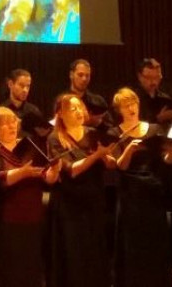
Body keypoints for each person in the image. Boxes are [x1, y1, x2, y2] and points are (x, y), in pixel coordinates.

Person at [0, 106, 59, 287]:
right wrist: (22, 172)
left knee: (28, 268)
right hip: (4, 220)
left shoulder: (28, 146)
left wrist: (53, 172)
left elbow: (45, 176)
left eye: (14, 122)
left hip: (31, 217)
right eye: (5, 123)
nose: (12, 126)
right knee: (6, 270)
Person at [109, 87, 172, 287]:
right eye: (126, 105)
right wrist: (129, 150)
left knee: (154, 242)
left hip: (152, 192)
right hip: (130, 194)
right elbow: (119, 166)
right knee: (132, 244)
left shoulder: (155, 129)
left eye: (133, 103)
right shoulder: (115, 133)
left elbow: (166, 161)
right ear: (119, 110)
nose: (131, 108)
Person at [47, 94, 114, 287]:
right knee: (73, 252)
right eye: (72, 108)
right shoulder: (55, 137)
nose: (78, 111)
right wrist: (96, 156)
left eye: (80, 107)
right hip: (69, 204)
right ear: (61, 113)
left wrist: (106, 157)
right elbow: (71, 170)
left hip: (93, 200)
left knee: (93, 251)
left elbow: (110, 165)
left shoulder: (93, 133)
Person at [0, 69, 50, 147]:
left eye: (28, 86)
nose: (25, 90)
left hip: (31, 152)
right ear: (10, 84)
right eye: (21, 85)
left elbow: (42, 138)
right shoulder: (2, 111)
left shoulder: (33, 110)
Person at [132, 58, 172, 127]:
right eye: (149, 77)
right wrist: (158, 119)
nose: (153, 82)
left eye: (156, 77)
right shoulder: (132, 99)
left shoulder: (165, 98)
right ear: (139, 77)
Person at [63, 59, 111, 129]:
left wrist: (99, 123)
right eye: (80, 75)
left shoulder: (98, 102)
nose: (84, 79)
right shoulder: (62, 101)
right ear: (71, 75)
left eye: (87, 75)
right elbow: (52, 127)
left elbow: (111, 129)